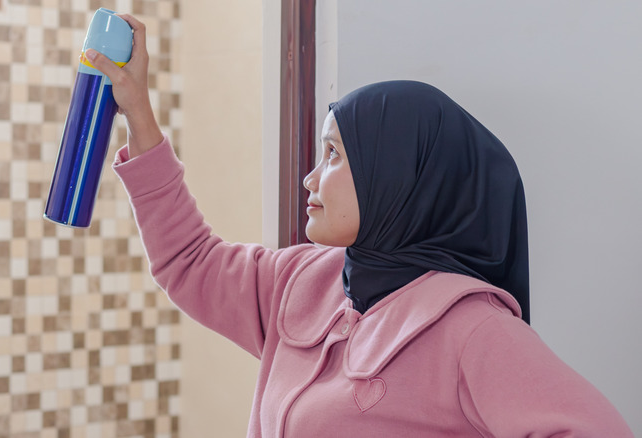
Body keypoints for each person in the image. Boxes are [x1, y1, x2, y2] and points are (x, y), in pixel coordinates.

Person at [85, 14, 634, 437]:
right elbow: (191, 262)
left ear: (393, 176)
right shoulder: (301, 281)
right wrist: (138, 111)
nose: (309, 178)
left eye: (334, 156)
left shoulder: (470, 329)